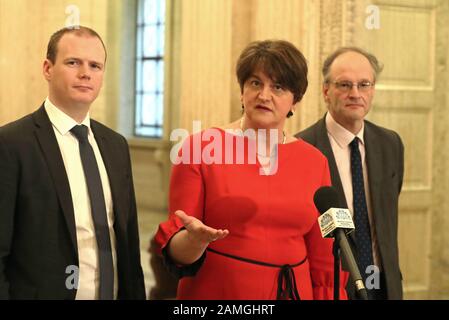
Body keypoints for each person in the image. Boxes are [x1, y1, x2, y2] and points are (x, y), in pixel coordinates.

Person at [152, 40, 348, 300]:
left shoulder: (314, 161)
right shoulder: (200, 149)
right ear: (242, 91)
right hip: (217, 293)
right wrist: (194, 242)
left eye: (277, 87)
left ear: (295, 100)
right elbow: (175, 250)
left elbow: (323, 254)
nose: (264, 95)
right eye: (255, 83)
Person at [0, 26, 145, 300]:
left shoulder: (115, 145)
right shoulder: (11, 144)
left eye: (95, 66)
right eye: (73, 62)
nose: (85, 73)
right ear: (47, 68)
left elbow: (129, 243)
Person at [296, 47, 404, 300]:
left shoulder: (391, 144)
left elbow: (386, 220)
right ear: (326, 91)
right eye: (344, 85)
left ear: (373, 89)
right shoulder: (302, 149)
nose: (355, 93)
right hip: (329, 287)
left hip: (383, 284)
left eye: (364, 84)